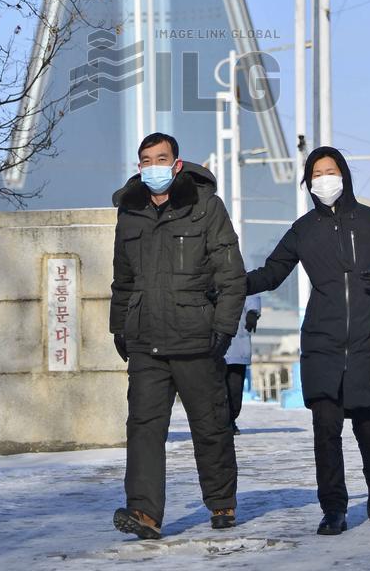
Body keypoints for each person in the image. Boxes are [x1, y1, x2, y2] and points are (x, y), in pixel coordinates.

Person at [246, 146, 370, 536]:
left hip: (367, 341)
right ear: (308, 182)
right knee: (325, 431)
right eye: (316, 174)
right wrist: (231, 284)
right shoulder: (304, 229)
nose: (324, 179)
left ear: (343, 175)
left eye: (330, 171)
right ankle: (333, 508)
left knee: (369, 427)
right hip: (322, 343)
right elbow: (272, 273)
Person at [110, 132, 246, 540]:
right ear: (139, 166)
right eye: (146, 160)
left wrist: (223, 327)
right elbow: (123, 278)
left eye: (161, 158)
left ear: (177, 163)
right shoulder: (130, 212)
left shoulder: (206, 207)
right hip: (145, 339)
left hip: (196, 337)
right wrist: (119, 326)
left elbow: (231, 276)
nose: (153, 166)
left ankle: (221, 502)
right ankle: (144, 512)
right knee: (143, 428)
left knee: (210, 425)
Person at [225, 295, 261, 434]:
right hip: (211, 348)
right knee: (215, 389)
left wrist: (253, 312)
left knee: (234, 390)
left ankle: (231, 419)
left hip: (237, 346)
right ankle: (221, 422)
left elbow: (252, 294)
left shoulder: (241, 281)